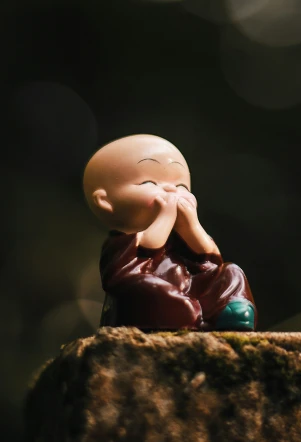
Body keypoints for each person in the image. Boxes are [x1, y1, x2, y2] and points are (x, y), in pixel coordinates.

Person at [83, 133, 256, 331]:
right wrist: (164, 218)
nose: (171, 190)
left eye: (180, 185)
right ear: (105, 201)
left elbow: (211, 258)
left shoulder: (179, 236)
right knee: (149, 287)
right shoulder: (120, 241)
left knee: (230, 271)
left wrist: (190, 226)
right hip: (141, 306)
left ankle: (232, 308)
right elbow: (147, 250)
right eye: (149, 183)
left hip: (188, 289)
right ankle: (184, 314)